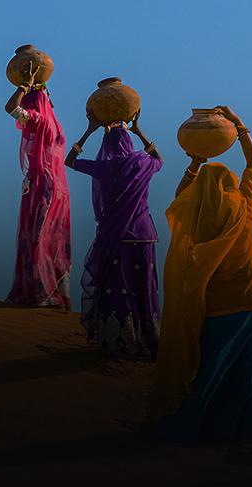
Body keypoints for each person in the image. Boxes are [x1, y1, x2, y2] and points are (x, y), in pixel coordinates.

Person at [149, 106, 252, 442]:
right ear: (229, 186)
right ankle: (246, 430)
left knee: (210, 374)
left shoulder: (194, 219)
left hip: (217, 310)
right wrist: (239, 125)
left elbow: (179, 196)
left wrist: (195, 161)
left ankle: (197, 425)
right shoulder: (243, 207)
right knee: (248, 373)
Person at [64, 110, 162, 359]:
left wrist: (90, 130)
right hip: (144, 237)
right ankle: (149, 336)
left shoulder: (104, 167)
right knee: (143, 288)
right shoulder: (143, 163)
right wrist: (138, 130)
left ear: (106, 146)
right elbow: (159, 159)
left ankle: (120, 338)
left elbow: (70, 161)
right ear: (129, 143)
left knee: (118, 287)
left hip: (117, 238)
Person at [2, 62, 72, 308]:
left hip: (42, 186)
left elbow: (11, 107)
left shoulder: (40, 121)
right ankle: (55, 292)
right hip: (57, 190)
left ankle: (42, 292)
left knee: (39, 236)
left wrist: (24, 86)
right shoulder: (53, 124)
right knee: (52, 236)